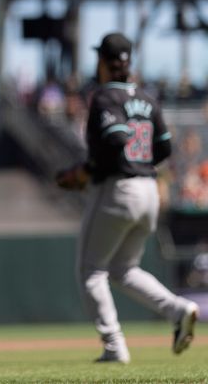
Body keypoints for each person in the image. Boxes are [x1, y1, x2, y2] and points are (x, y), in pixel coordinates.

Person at [55, 32, 199, 364]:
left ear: (103, 62)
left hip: (118, 189)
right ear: (128, 62)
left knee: (90, 271)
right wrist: (138, 165)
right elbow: (163, 147)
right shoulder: (147, 97)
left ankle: (113, 345)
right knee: (122, 269)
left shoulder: (105, 97)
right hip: (149, 190)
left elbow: (116, 138)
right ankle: (179, 310)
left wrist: (87, 171)